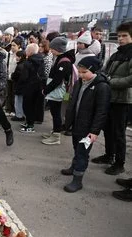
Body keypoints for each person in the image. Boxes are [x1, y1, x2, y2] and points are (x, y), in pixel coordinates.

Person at [61, 56, 110, 193]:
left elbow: (102, 111)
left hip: (88, 128)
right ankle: (74, 166)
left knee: (83, 152)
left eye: (84, 72)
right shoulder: (79, 83)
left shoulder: (102, 87)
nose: (81, 75)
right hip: (77, 124)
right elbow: (73, 101)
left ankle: (77, 180)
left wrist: (94, 131)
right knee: (76, 147)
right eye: (80, 72)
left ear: (93, 71)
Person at [91, 22, 132, 177]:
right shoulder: (117, 54)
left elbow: (130, 80)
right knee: (107, 129)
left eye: (125, 36)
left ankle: (119, 163)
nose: (120, 39)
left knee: (119, 133)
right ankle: (109, 155)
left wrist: (110, 82)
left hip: (123, 100)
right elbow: (106, 70)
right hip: (110, 97)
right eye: (119, 35)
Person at [42, 37, 75, 145]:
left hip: (59, 92)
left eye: (52, 48)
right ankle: (55, 131)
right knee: (55, 112)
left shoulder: (64, 62)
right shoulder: (61, 59)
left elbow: (57, 80)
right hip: (60, 91)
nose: (50, 50)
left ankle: (56, 135)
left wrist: (46, 90)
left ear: (58, 48)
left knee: (57, 113)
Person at [20, 43, 44, 133]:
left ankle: (30, 125)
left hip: (28, 86)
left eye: (27, 50)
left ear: (30, 51)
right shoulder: (41, 59)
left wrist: (20, 85)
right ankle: (29, 122)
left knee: (27, 106)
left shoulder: (28, 62)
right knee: (33, 106)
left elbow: (24, 76)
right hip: (37, 86)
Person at [36, 40, 53, 123]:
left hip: (44, 81)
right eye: (39, 46)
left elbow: (47, 72)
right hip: (39, 80)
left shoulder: (47, 58)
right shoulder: (40, 55)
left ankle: (39, 118)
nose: (40, 48)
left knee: (41, 100)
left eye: (42, 46)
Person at [7, 38, 23, 119]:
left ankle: (14, 110)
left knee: (14, 95)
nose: (12, 47)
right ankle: (9, 109)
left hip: (16, 78)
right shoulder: (9, 53)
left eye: (14, 45)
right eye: (11, 45)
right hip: (8, 76)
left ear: (19, 46)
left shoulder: (21, 54)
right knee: (9, 94)